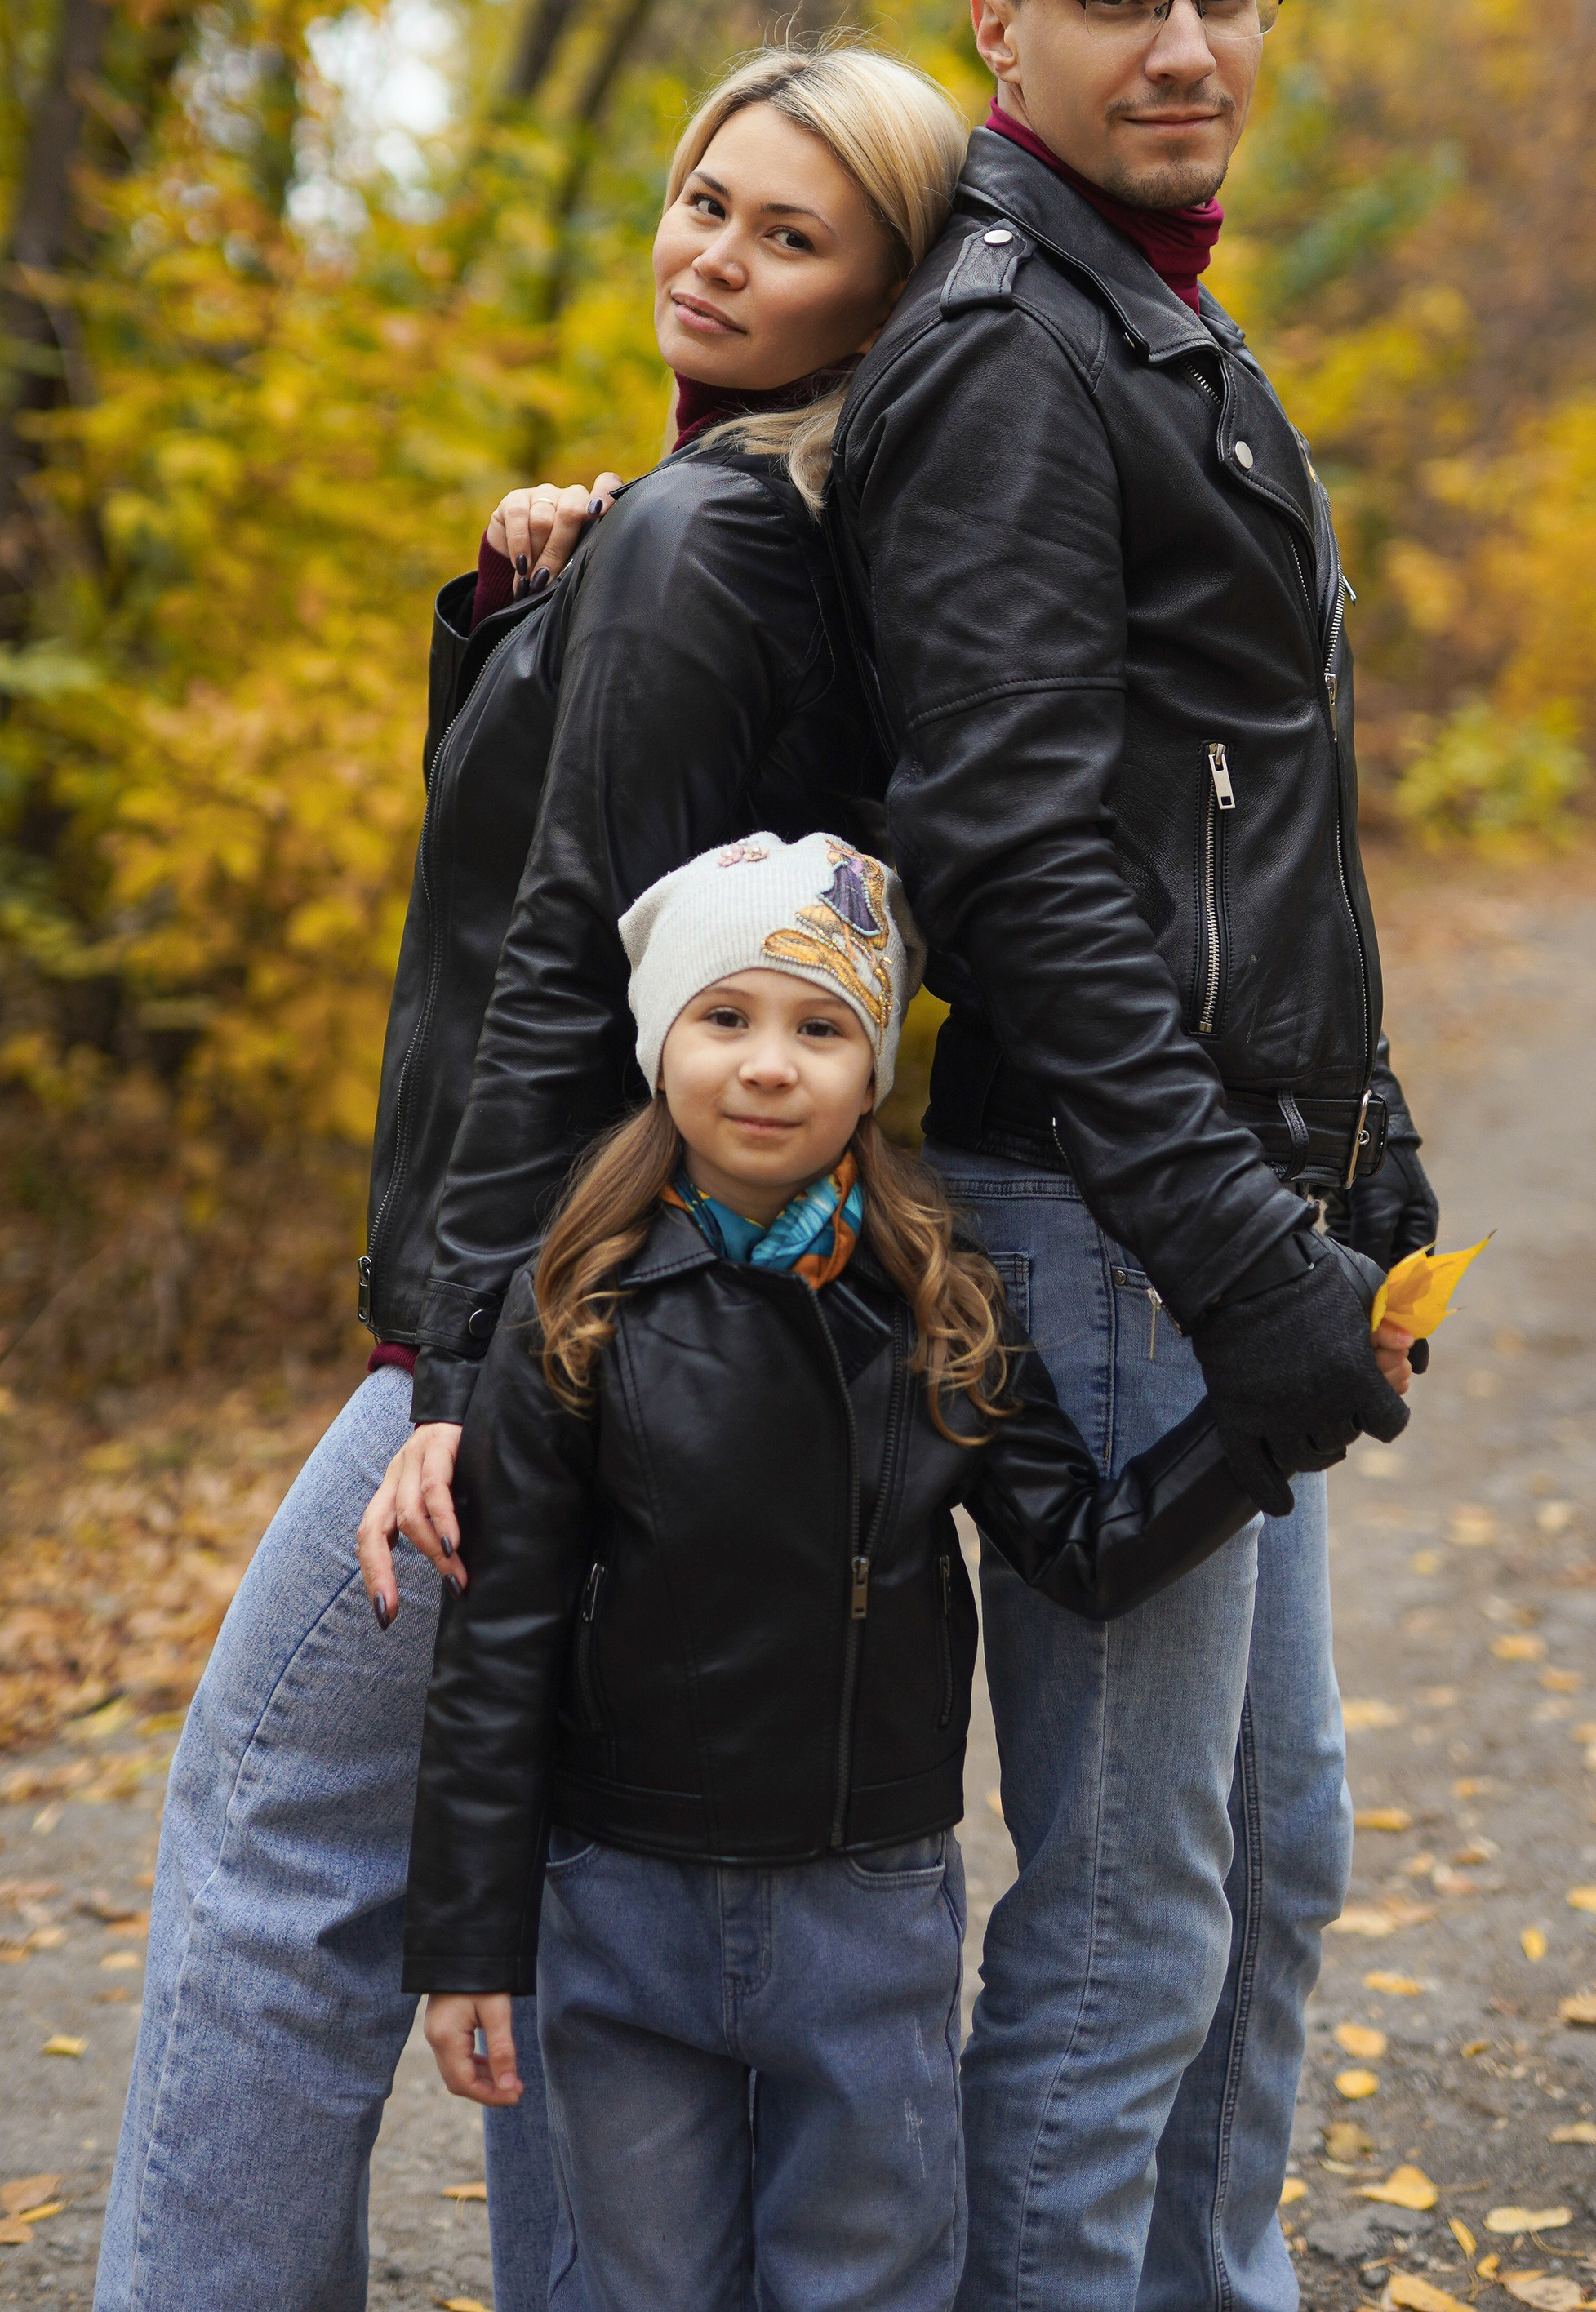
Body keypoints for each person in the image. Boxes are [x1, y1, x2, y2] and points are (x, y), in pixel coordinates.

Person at [91, 46, 969, 2312]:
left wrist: (464, 1353)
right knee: (572, 1857)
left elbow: (556, 978)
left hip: (564, 1292)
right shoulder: (751, 521)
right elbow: (555, 878)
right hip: (656, 1287)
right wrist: (522, 617)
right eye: (703, 199)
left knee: (276, 1820)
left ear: (886, 291)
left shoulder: (714, 536)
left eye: (794, 236)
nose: (718, 253)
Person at [826, 0, 1440, 2312]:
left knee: (1265, 1859)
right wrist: (1233, 1245)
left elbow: (1248, 806)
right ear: (1000, 31)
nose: (1186, 39)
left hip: (1225, 1199)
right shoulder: (1008, 343)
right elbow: (1018, 864)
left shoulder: (1156, 312)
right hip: (1109, 1224)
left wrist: (1364, 1154)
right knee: (1117, 1917)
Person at [407, 832, 1386, 2312]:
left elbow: (1085, 1545)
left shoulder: (943, 1302)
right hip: (623, 1910)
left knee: (868, 2274)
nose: (768, 1065)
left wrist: (1270, 1431)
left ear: (873, 1069)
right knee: (643, 2281)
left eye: (820, 1026)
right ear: (659, 1040)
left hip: (864, 1913)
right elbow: (503, 1642)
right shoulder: (578, 1312)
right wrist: (470, 1941)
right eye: (724, 1017)